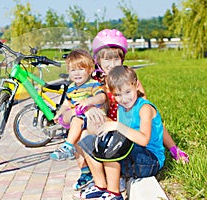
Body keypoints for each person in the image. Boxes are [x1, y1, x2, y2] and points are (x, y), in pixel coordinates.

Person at [73, 28, 189, 192]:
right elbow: (82, 104)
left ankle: (115, 178)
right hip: (109, 125)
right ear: (98, 60)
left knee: (110, 141)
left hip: (128, 133)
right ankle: (96, 179)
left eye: (116, 58)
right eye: (106, 59)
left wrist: (173, 148)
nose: (111, 64)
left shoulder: (129, 81)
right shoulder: (96, 83)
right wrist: (89, 108)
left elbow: (151, 121)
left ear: (122, 59)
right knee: (84, 136)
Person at [80, 65, 165, 199]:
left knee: (112, 147)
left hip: (150, 160)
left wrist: (117, 125)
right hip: (133, 155)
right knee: (89, 141)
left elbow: (144, 140)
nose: (124, 99)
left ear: (136, 85)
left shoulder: (145, 108)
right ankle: (100, 185)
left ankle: (114, 193)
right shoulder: (121, 107)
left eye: (127, 92)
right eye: (118, 95)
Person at [50, 49, 107, 161]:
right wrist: (58, 113)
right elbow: (67, 103)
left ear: (90, 70)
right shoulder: (71, 87)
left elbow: (102, 97)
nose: (76, 73)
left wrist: (88, 101)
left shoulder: (93, 84)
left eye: (81, 69)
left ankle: (67, 146)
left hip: (93, 119)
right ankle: (84, 170)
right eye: (73, 70)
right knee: (77, 141)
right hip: (79, 118)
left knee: (76, 121)